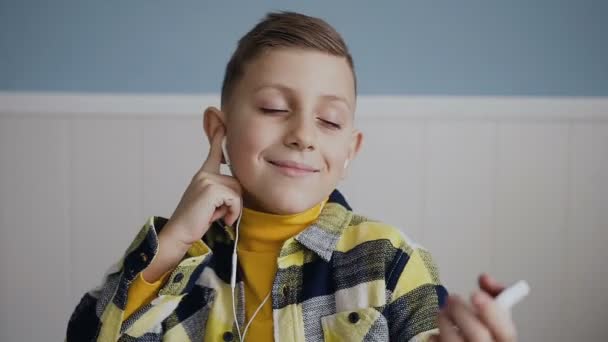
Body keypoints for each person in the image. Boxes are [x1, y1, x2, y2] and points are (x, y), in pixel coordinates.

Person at [66, 11, 517, 342]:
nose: (302, 134)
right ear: (218, 130)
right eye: (275, 109)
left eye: (330, 121)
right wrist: (172, 243)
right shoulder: (174, 262)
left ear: (349, 151)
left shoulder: (390, 261)